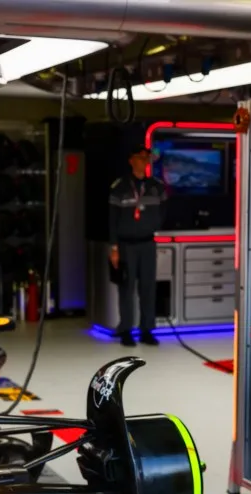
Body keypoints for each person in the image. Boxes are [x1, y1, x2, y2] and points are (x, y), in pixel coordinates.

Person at [108, 144, 168, 347]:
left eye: (146, 158)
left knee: (148, 288)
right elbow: (112, 219)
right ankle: (126, 329)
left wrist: (154, 225)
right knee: (126, 288)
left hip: (147, 244)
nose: (144, 161)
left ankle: (146, 330)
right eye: (140, 157)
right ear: (131, 160)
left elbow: (164, 211)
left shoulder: (156, 186)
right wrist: (114, 247)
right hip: (126, 245)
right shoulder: (120, 187)